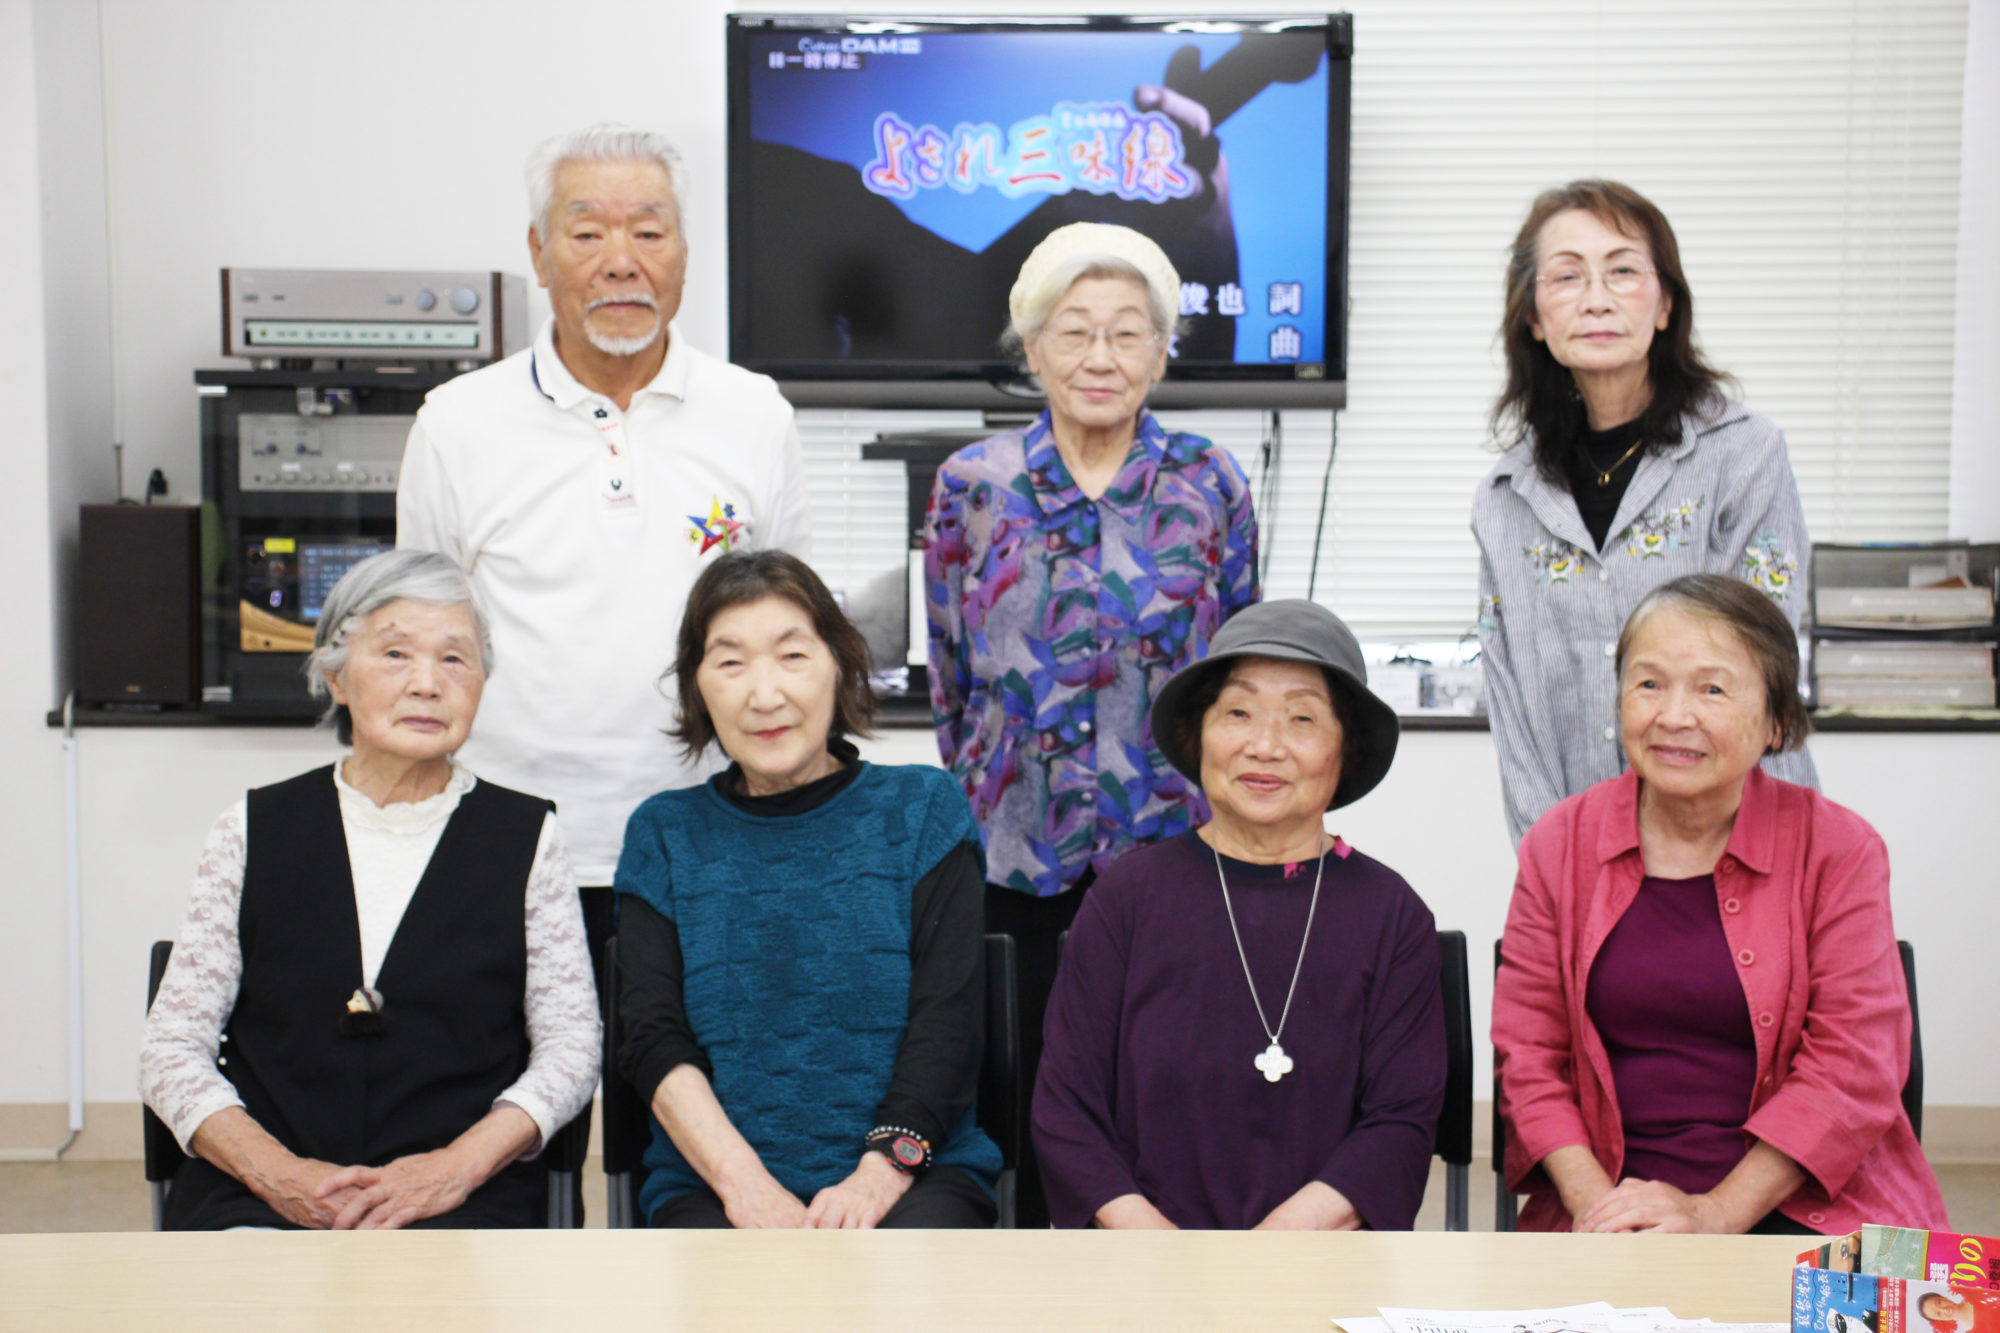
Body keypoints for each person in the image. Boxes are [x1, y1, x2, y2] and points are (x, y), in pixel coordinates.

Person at [396, 123, 811, 944]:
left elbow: (791, 639)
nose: (621, 261)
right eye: (587, 234)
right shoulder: (456, 423)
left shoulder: (756, 414)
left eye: (649, 233)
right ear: (540, 252)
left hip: (717, 839)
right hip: (507, 844)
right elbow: (417, 646)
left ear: (684, 252)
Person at [923, 220, 1260, 1225]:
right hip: (1014, 859)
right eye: (1073, 331)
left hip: (1172, 851)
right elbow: (950, 673)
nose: (1099, 356)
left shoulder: (1209, 481)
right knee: (1026, 1112)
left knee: (1166, 1107)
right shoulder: (972, 485)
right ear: (1032, 349)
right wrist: (988, 790)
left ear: (1161, 351)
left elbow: (1239, 671)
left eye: (1126, 332)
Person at [138, 551, 599, 1229]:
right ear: (336, 676)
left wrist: (456, 1167)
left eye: (455, 659)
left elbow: (571, 1047)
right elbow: (171, 1048)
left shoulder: (530, 836)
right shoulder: (250, 828)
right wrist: (279, 1175)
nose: (426, 684)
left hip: (464, 1196)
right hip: (260, 1191)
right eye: (395, 653)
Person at [1492, 573, 1947, 1235]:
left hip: (1809, 1207)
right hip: (1609, 1205)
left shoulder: (1839, 849)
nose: (1674, 715)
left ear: (1776, 721)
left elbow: (1854, 1065)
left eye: (1712, 689)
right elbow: (1529, 1058)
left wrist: (1714, 1214)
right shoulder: (1559, 844)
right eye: (1650, 684)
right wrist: (1598, 1207)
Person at [614, 551, 1001, 1229]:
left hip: (916, 1173)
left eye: (792, 656)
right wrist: (746, 1187)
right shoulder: (664, 835)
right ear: (697, 687)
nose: (765, 695)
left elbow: (949, 1021)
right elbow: (653, 1038)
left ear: (841, 664)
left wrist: (876, 1179)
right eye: (730, 663)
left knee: (905, 1282)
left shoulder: (922, 811)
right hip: (714, 1185)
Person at [1033, 599, 1445, 1230]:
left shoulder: (1393, 916)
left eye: (1302, 719)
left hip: (1322, 1260)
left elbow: (1400, 1123)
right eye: (1238, 713)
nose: (1265, 746)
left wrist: (1267, 1254)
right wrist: (1160, 1251)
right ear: (1200, 734)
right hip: (1143, 1261)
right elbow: (1066, 1108)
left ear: (1346, 749)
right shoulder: (1125, 899)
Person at [1473, 179, 1817, 845]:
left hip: (1745, 847)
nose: (1596, 298)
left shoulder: (1744, 455)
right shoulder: (1506, 496)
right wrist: (1556, 861)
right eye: (1567, 276)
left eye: (1623, 271)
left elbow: (1756, 673)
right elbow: (1513, 712)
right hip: (1579, 853)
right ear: (1535, 317)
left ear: (1665, 304)